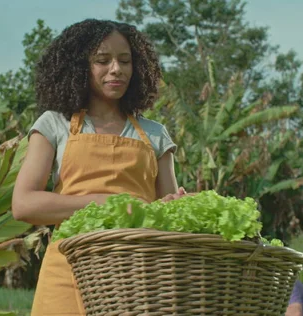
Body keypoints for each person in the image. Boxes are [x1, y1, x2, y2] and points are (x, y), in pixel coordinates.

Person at [12, 19, 186, 315]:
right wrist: (105, 203)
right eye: (102, 61)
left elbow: (167, 215)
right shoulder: (55, 124)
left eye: (125, 60)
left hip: (139, 281)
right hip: (68, 270)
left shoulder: (155, 134)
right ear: (80, 66)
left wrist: (176, 207)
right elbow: (24, 204)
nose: (116, 69)